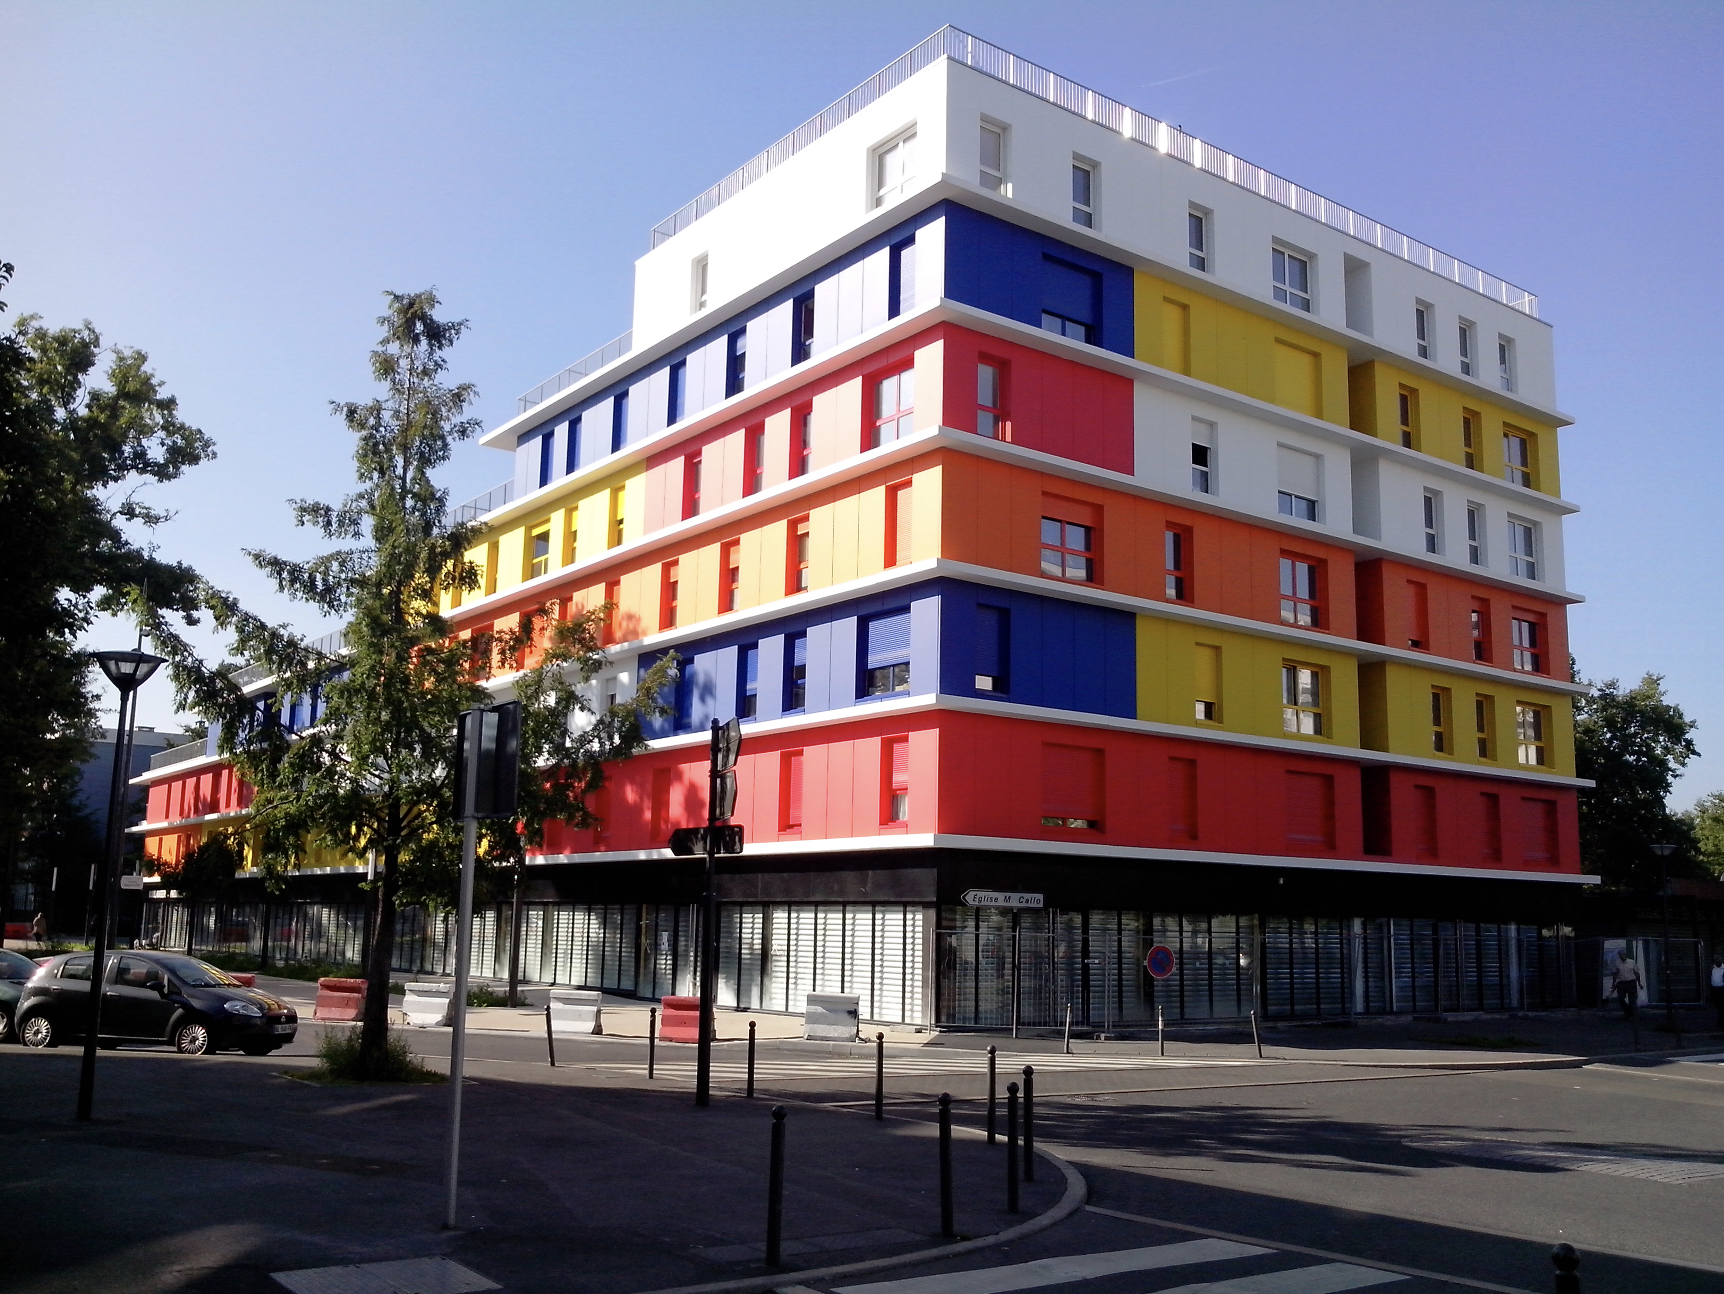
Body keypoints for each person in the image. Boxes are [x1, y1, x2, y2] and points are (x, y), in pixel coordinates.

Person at [1611, 952, 1645, 1019]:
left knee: (1632, 999)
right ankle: (1627, 1011)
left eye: (1622, 954)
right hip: (1621, 982)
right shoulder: (1617, 963)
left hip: (1631, 982)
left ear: (1625, 955)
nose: (1621, 956)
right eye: (1620, 955)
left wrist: (1639, 982)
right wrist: (1613, 983)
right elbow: (1615, 974)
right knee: (1620, 998)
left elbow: (1636, 972)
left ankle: (1630, 1014)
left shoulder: (1631, 962)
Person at [1710, 953, 1724, 1030]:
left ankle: (1720, 1022)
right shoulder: (1713, 968)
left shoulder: (1722, 969)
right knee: (1719, 1006)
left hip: (1721, 989)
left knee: (1721, 1006)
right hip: (1715, 989)